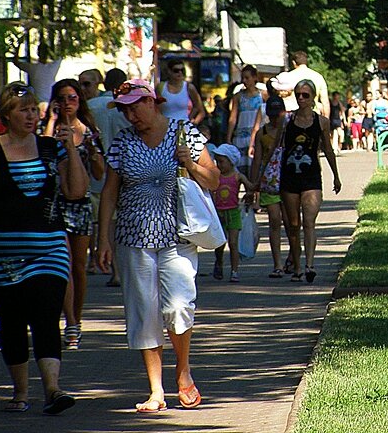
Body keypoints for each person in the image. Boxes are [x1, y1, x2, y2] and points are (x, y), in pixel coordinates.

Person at [0, 82, 87, 415]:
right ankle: (20, 391)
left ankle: (53, 389)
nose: (30, 116)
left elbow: (75, 191)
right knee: (11, 321)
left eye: (33, 109)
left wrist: (71, 148)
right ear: (6, 116)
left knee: (45, 314)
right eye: (22, 110)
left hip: (49, 248)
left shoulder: (49, 148)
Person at [97, 79, 220, 413]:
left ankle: (183, 371)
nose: (130, 115)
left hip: (177, 236)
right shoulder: (122, 141)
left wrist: (191, 164)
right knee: (144, 314)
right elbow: (110, 191)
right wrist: (103, 237)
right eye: (124, 109)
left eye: (135, 106)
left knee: (179, 305)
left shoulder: (184, 133)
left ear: (152, 101)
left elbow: (214, 179)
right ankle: (156, 390)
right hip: (133, 237)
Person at [43, 79, 105, 350]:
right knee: (64, 265)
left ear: (80, 101)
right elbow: (42, 156)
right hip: (54, 204)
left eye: (72, 98)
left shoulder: (89, 132)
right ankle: (68, 320)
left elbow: (100, 173)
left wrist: (91, 152)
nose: (68, 103)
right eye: (62, 98)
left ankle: (75, 319)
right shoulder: (49, 131)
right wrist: (52, 119)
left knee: (79, 266)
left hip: (79, 206)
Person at [279, 79, 341, 283]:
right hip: (289, 177)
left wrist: (336, 176)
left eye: (305, 95)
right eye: (298, 94)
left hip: (311, 176)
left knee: (308, 222)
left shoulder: (321, 121)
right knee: (293, 225)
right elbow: (274, 149)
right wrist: (261, 176)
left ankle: (309, 265)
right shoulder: (287, 120)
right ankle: (296, 266)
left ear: (313, 97)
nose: (301, 98)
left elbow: (328, 150)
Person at [87, 67, 129, 285]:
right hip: (128, 169)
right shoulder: (129, 108)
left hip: (101, 171)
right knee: (127, 222)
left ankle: (116, 271)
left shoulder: (93, 107)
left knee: (108, 223)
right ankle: (126, 267)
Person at [250, 96, 290, 278]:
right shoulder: (262, 133)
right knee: (274, 220)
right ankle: (278, 264)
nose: (275, 119)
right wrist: (253, 185)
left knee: (291, 223)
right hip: (269, 183)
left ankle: (293, 258)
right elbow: (257, 160)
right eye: (272, 115)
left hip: (289, 181)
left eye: (278, 114)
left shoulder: (290, 130)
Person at [209, 144, 254, 283]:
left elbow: (250, 186)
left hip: (233, 212)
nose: (219, 164)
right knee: (219, 243)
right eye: (217, 161)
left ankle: (234, 271)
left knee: (233, 243)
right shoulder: (215, 175)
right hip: (219, 213)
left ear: (231, 161)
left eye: (222, 161)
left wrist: (249, 193)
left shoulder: (237, 176)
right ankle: (219, 262)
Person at [225, 64, 264, 171]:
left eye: (247, 78)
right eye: (243, 78)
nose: (244, 81)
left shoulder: (262, 95)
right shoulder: (238, 96)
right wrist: (229, 138)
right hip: (241, 137)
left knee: (255, 168)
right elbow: (233, 118)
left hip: (257, 135)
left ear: (255, 77)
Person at [271, 51, 329, 116]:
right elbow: (325, 102)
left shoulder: (287, 76)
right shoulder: (318, 77)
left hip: (293, 116)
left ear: (294, 62)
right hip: (313, 116)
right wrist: (326, 120)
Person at [157, 60, 207, 125]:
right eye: (176, 70)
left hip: (183, 128)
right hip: (165, 127)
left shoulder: (189, 87)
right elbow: (156, 109)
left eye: (182, 70)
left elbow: (199, 108)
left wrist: (191, 122)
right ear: (169, 71)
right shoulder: (161, 87)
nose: (180, 73)